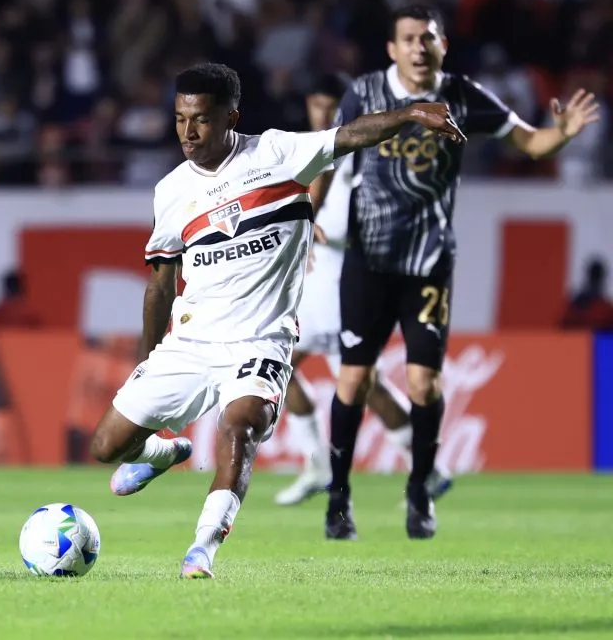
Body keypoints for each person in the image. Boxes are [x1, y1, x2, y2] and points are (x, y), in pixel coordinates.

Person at [88, 61, 464, 578]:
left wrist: (413, 112)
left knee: (239, 428)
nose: (188, 132)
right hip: (190, 342)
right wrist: (148, 358)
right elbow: (159, 284)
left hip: (259, 343)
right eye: (179, 119)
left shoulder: (277, 153)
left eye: (200, 119)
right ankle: (163, 451)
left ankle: (203, 548)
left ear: (231, 117)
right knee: (106, 446)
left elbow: (351, 135)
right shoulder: (171, 191)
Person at [324, 4, 602, 541]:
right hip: (368, 260)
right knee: (353, 379)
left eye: (427, 38)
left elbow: (529, 140)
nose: (418, 48)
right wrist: (312, 215)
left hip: (429, 262)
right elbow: (331, 156)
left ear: (442, 46)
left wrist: (561, 132)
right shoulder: (364, 94)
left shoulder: (463, 94)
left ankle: (420, 490)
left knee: (424, 383)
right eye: (408, 39)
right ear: (392, 49)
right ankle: (338, 497)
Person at [276, 73, 452, 507]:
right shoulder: (307, 153)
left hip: (344, 285)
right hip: (318, 287)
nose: (322, 113)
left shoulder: (362, 159)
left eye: (330, 106)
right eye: (316, 104)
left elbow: (358, 221)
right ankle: (421, 467)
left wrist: (318, 230)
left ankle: (324, 463)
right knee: (314, 372)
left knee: (331, 375)